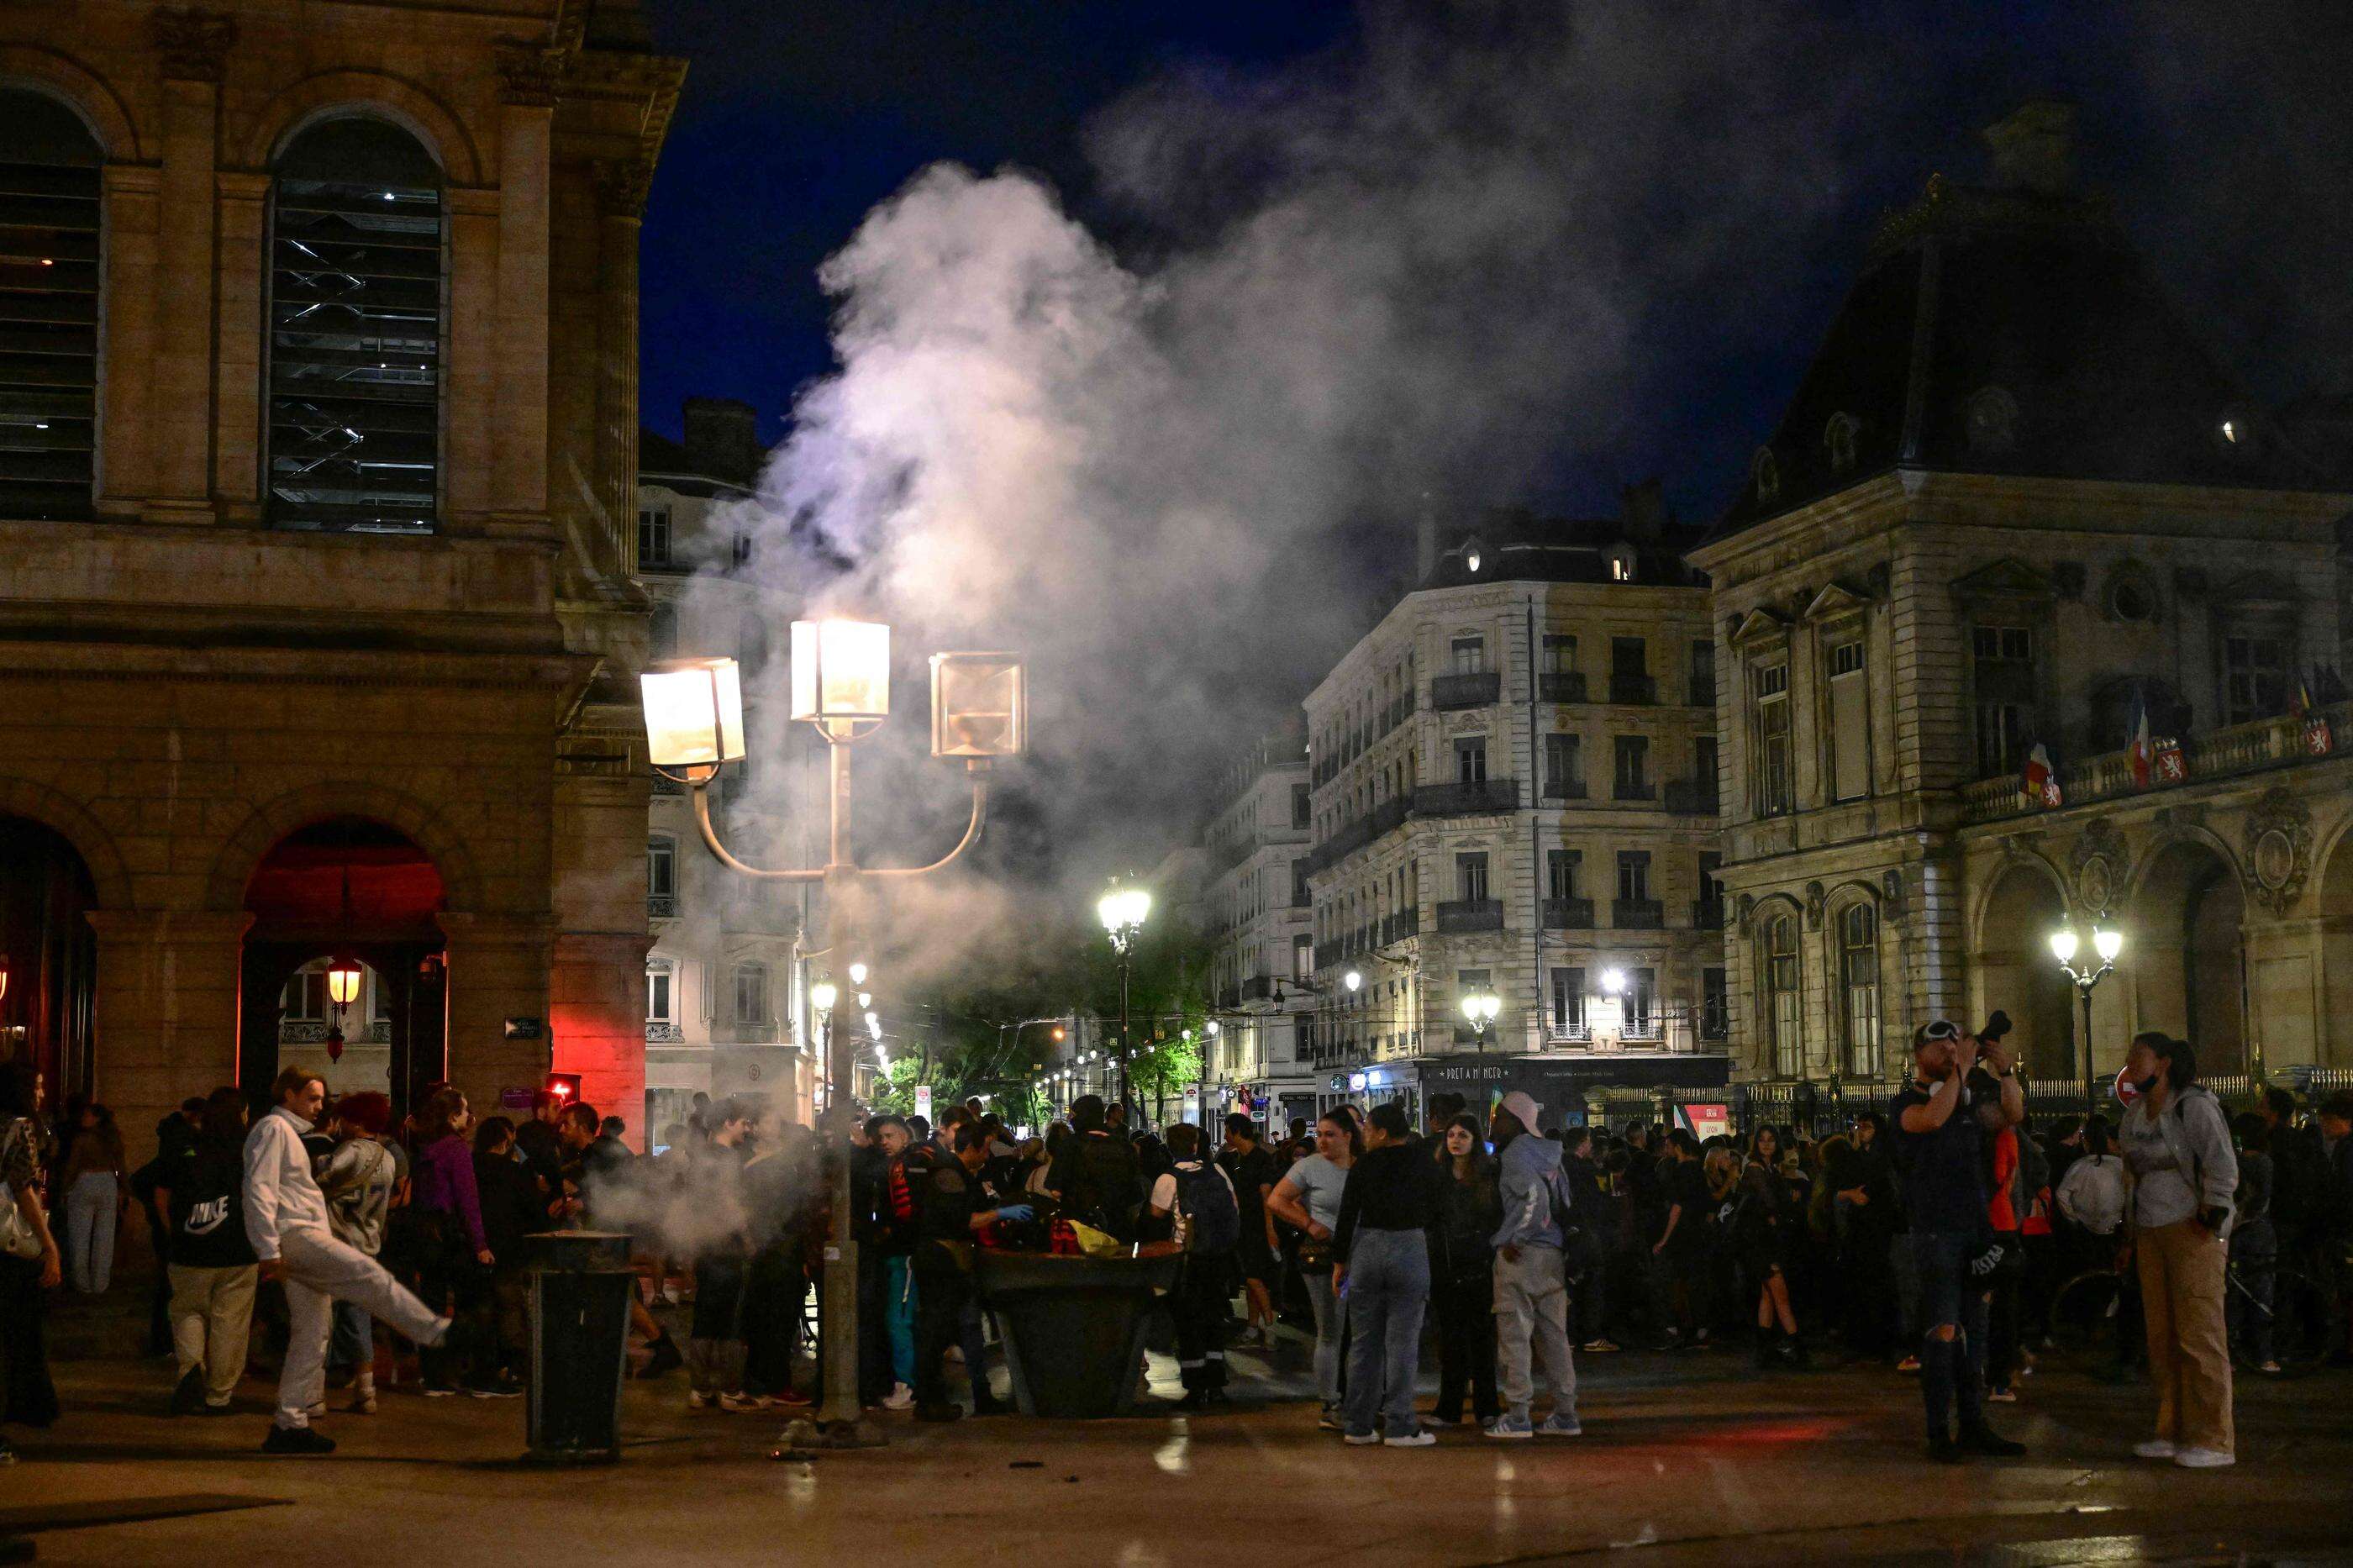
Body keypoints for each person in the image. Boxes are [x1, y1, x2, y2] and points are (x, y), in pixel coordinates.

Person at [244, 1068, 463, 1454]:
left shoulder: (284, 1132)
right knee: (366, 1274)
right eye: (312, 1098)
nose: (319, 1106)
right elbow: (258, 1190)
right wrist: (268, 1251)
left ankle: (290, 1422)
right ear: (289, 1095)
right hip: (295, 1233)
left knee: (313, 1333)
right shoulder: (274, 1130)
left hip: (297, 1234)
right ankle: (434, 1332)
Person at [1891, 1020, 2024, 1463]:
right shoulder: (1906, 1103)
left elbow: (2011, 1116)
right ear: (1918, 1052)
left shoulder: (1965, 1101)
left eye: (1955, 1042)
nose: (1950, 1048)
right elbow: (1929, 1119)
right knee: (1943, 1331)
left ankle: (1973, 1423)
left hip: (1974, 1229)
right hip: (1935, 1231)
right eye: (1940, 1043)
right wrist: (1962, 1071)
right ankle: (1937, 1431)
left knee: (1976, 1331)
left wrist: (2005, 1074)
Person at [2117, 1032, 2240, 1468]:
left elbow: (2222, 1164)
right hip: (2150, 1229)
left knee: (2200, 1331)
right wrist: (2130, 1232)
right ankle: (2171, 1429)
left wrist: (2213, 1213)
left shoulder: (2194, 1106)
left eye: (2138, 1056)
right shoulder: (2134, 1113)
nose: (2130, 1064)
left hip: (2192, 1228)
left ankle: (2213, 1437)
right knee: (2162, 1334)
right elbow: (2131, 1175)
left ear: (2164, 1063)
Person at [1332, 1102, 1438, 1447]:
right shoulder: (1422, 1162)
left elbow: (1348, 1214)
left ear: (1381, 1132)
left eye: (1367, 1128)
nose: (1363, 1134)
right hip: (1409, 1245)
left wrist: (1339, 1263)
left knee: (1364, 1343)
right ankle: (1400, 1424)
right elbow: (1439, 1209)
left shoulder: (1364, 1166)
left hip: (1368, 1249)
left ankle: (1358, 1425)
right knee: (1402, 1344)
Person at [913, 1122, 1032, 1421]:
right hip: (941, 1261)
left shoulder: (962, 1174)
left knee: (965, 1330)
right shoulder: (948, 1174)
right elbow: (963, 1220)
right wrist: (1000, 1214)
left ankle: (979, 1395)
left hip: (955, 1261)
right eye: (985, 1149)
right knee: (936, 1333)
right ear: (972, 1148)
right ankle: (929, 1401)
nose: (988, 1155)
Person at [157, 1087, 257, 1417]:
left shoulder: (184, 1147)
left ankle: (189, 1372)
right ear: (242, 1114)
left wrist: (173, 1231)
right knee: (230, 1322)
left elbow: (161, 1191)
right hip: (238, 1249)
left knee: (187, 1310)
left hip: (189, 1248)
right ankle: (219, 1395)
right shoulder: (250, 1152)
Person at [1487, 1092, 1580, 1440]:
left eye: (1499, 1116)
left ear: (1515, 1119)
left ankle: (1518, 1415)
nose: (1494, 1121)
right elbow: (1564, 1200)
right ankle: (1566, 1413)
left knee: (1515, 1338)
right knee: (1555, 1338)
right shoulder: (1552, 1153)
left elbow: (1535, 1200)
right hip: (1553, 1258)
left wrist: (1517, 1237)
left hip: (1521, 1258)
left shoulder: (1515, 1154)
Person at [1266, 1108, 1356, 1431]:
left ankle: (1357, 1396)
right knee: (1330, 1330)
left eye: (1330, 1134)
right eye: (1319, 1134)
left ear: (1348, 1136)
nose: (1322, 1141)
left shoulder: (1361, 1166)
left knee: (1358, 1331)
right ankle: (1330, 1400)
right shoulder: (1310, 1167)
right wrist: (1309, 1223)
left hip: (1361, 1254)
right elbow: (1276, 1200)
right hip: (1325, 1256)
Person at [408, 1087, 495, 1397]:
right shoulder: (455, 1149)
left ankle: (433, 1376)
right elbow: (467, 1200)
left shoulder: (426, 1147)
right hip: (450, 1236)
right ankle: (467, 1372)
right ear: (452, 1116)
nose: (469, 1114)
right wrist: (480, 1244)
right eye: (464, 1109)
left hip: (426, 1234)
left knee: (430, 1305)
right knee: (472, 1305)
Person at [314, 1091, 398, 1412]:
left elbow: (320, 1176)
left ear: (357, 1122)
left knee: (323, 1322)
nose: (340, 1124)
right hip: (368, 1248)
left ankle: (315, 1396)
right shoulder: (388, 1157)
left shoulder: (350, 1150)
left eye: (345, 1119)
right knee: (359, 1320)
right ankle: (366, 1392)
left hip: (337, 1247)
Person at [1150, 1123, 1239, 1408]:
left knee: (1189, 1322)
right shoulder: (1217, 1171)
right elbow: (1234, 1207)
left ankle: (1195, 1387)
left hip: (1187, 1258)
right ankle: (1216, 1386)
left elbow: (1155, 1215)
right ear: (1195, 1144)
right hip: (1217, 1256)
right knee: (1213, 1319)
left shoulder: (1168, 1178)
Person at [1, 1062, 63, 1463]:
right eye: (37, 1086)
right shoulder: (21, 1126)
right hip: (7, 1247)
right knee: (13, 1336)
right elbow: (21, 1187)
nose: (41, 1094)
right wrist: (49, 1245)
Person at [685, 1097, 759, 1413]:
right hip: (726, 1246)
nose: (748, 1129)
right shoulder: (727, 1159)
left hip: (705, 1245)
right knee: (730, 1320)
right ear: (728, 1123)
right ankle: (729, 1389)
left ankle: (701, 1388)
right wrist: (747, 1238)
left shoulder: (700, 1157)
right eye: (744, 1122)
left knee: (705, 1317)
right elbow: (731, 1203)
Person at [1428, 1112, 1500, 1426]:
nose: (1455, 1140)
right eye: (1452, 1135)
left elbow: (1495, 1217)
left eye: (1463, 1135)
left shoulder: (1488, 1176)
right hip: (1445, 1264)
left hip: (1480, 1264)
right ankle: (1450, 1407)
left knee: (1482, 1338)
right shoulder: (1437, 1177)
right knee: (1451, 1339)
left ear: (1475, 1141)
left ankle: (1487, 1407)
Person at [470, 1116, 541, 1396]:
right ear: (504, 1141)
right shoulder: (514, 1172)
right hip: (510, 1248)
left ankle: (482, 1364)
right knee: (510, 1306)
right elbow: (533, 1210)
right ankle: (512, 1365)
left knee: (481, 1306)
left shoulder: (470, 1169)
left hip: (477, 1247)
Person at [868, 1114, 923, 1410]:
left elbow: (906, 1214)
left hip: (905, 1255)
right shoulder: (897, 1165)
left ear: (905, 1135)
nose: (884, 1142)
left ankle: (907, 1387)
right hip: (897, 1254)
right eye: (881, 1137)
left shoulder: (905, 1167)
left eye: (890, 1136)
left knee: (899, 1320)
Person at [1737, 1126, 1803, 1367]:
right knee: (1780, 1294)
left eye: (1771, 1140)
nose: (1766, 1145)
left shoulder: (1770, 1168)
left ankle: (1763, 1350)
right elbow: (1772, 1201)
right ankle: (1797, 1347)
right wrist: (1786, 1203)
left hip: (1765, 1239)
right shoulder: (1756, 1169)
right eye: (1762, 1140)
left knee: (1768, 1295)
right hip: (1760, 1241)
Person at [1219, 1115, 1281, 1349]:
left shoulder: (1259, 1160)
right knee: (1250, 1277)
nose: (1225, 1136)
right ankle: (1253, 1326)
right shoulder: (1241, 1158)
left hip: (1256, 1227)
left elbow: (1267, 1199)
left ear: (1236, 1132)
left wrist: (1270, 1229)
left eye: (1227, 1131)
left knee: (1254, 1277)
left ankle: (1270, 1325)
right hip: (1245, 1226)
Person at [1045, 1094, 1143, 1243]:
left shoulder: (1070, 1146)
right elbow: (1135, 1192)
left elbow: (1055, 1190)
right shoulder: (1124, 1146)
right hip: (1118, 1227)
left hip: (1079, 1230)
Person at [2227, 1113, 2279, 1376]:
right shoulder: (2264, 1162)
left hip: (2234, 1231)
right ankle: (2263, 1355)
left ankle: (2231, 1353)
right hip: (2259, 1233)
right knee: (2261, 1293)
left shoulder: (2233, 1161)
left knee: (2233, 1291)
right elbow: (2262, 1201)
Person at [58, 1101, 127, 1294]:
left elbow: (72, 1166)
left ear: (96, 1118)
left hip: (85, 1181)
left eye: (87, 1115)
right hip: (107, 1182)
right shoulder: (113, 1138)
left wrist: (64, 1188)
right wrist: (124, 1189)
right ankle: (100, 1284)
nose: (83, 1118)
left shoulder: (82, 1139)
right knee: (105, 1237)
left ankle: (82, 1283)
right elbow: (121, 1166)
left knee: (80, 1235)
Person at [1650, 1129, 1708, 1350]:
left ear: (1678, 1147)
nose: (1666, 1150)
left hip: (1682, 1234)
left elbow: (1677, 1207)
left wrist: (1664, 1239)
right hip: (1697, 1231)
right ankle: (1699, 1327)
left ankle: (1681, 1327)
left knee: (1677, 1281)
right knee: (1695, 1281)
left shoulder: (1681, 1172)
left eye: (1669, 1146)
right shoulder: (1699, 1170)